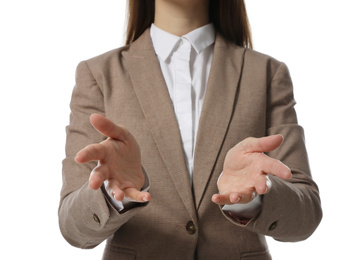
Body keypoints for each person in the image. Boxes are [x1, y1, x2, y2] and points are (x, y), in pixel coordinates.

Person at [59, 0, 322, 259]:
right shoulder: (98, 74)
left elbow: (306, 215)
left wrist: (255, 197)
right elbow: (73, 228)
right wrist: (110, 195)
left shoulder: (266, 73)